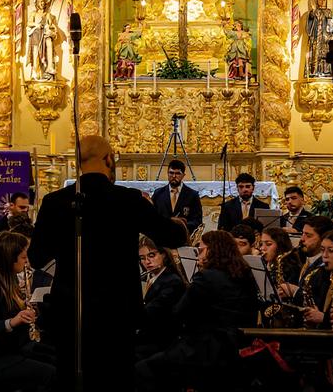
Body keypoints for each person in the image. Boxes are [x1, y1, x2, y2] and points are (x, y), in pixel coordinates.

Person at [29, 135, 188, 391]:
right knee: (115, 380)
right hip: (117, 311)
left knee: (71, 379)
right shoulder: (128, 200)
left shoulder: (54, 202)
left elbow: (36, 258)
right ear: (109, 159)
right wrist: (178, 225)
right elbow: (171, 236)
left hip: (71, 310)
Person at [136, 230, 258, 391]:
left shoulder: (206, 277)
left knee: (142, 370)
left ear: (213, 250)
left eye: (200, 250)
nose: (198, 256)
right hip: (235, 349)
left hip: (204, 350)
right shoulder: (246, 275)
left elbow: (180, 313)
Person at [0, 231, 55, 391]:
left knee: (58, 359)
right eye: (23, 258)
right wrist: (12, 322)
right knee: (50, 373)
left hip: (16, 349)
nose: (26, 262)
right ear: (11, 258)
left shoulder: (9, 279)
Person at [137, 237, 187, 360]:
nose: (147, 262)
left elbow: (151, 312)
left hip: (161, 341)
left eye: (152, 255)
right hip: (148, 335)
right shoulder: (150, 277)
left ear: (163, 255)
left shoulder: (172, 281)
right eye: (142, 258)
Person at [152, 159, 203, 234]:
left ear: (183, 175)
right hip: (161, 235)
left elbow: (197, 220)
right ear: (167, 173)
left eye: (178, 173)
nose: (174, 176)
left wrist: (182, 224)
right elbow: (152, 216)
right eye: (171, 173)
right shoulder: (158, 193)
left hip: (183, 236)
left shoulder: (192, 195)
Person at [26, 0, 58, 81]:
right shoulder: (34, 13)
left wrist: (51, 28)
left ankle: (49, 68)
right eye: (40, 2)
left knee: (49, 43)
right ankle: (36, 72)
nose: (42, 3)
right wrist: (36, 24)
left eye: (43, 2)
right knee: (35, 53)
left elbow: (51, 25)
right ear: (37, 4)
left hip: (44, 35)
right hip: (36, 35)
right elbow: (29, 23)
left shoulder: (47, 14)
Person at [304, 0, 333, 78]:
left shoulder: (329, 12)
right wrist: (313, 12)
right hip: (316, 38)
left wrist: (331, 34)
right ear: (317, 1)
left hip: (325, 38)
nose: (322, 1)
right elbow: (310, 19)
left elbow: (331, 27)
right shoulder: (314, 12)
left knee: (325, 55)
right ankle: (314, 72)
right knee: (315, 55)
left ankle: (325, 72)